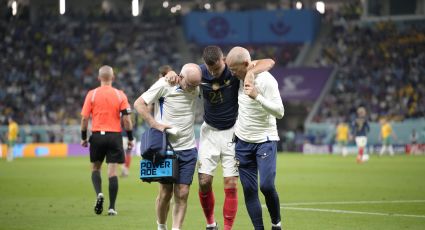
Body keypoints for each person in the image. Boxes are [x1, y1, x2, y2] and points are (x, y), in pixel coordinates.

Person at [166, 46, 275, 230]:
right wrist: (170, 73)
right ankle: (211, 224)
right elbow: (180, 76)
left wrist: (250, 73)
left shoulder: (234, 72)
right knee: (204, 182)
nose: (213, 73)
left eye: (216, 69)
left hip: (233, 131)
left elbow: (269, 62)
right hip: (209, 132)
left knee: (231, 182)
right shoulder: (199, 73)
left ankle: (227, 228)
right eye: (209, 69)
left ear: (223, 60)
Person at [134, 63, 202, 230]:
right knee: (165, 193)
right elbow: (138, 104)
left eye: (195, 85)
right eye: (189, 84)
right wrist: (154, 124)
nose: (192, 88)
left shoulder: (196, 85)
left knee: (183, 192)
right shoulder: (165, 85)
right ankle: (161, 226)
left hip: (188, 148)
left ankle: (176, 228)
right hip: (167, 149)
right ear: (180, 76)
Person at [226, 46, 284, 230]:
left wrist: (257, 96)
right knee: (249, 190)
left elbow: (280, 112)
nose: (232, 74)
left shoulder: (266, 81)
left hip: (265, 140)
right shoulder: (238, 79)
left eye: (234, 70)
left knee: (266, 186)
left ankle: (276, 223)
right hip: (242, 142)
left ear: (246, 64)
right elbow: (265, 62)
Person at [80, 65, 134, 216]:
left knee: (96, 169)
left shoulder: (92, 94)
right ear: (113, 78)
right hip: (114, 136)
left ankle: (99, 194)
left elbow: (84, 119)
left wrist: (83, 138)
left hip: (97, 136)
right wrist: (130, 138)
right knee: (112, 172)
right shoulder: (119, 94)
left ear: (99, 78)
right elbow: (127, 120)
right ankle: (111, 208)